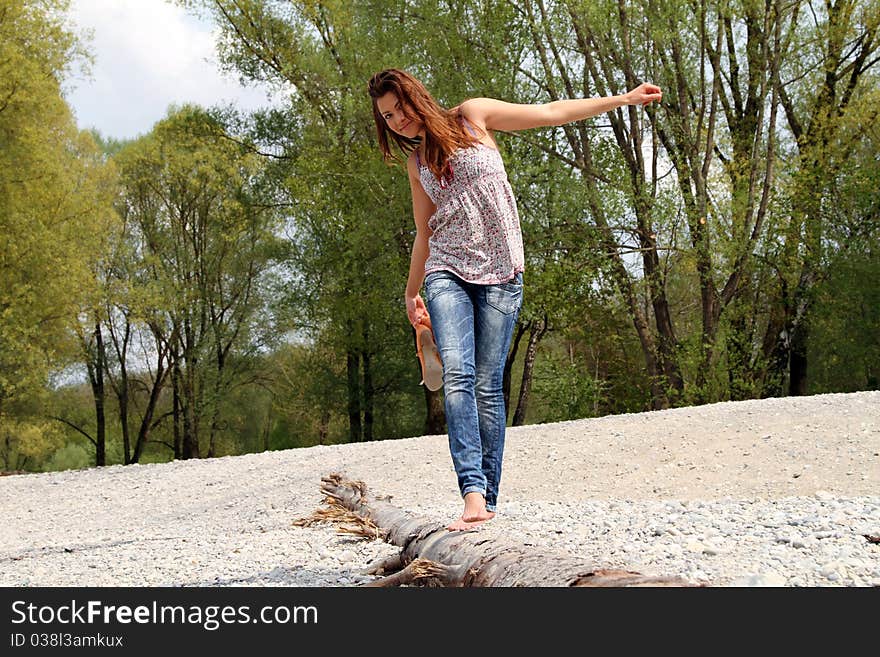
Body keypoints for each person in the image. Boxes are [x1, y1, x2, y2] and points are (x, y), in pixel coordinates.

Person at [367, 68, 662, 531]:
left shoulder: (472, 116)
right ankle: (472, 493)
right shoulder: (416, 163)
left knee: (488, 383)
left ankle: (489, 499)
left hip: (502, 271)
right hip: (447, 268)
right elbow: (425, 232)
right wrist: (411, 293)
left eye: (398, 108)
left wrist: (621, 99)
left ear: (415, 98)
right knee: (460, 376)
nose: (396, 121)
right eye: (386, 117)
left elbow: (550, 113)